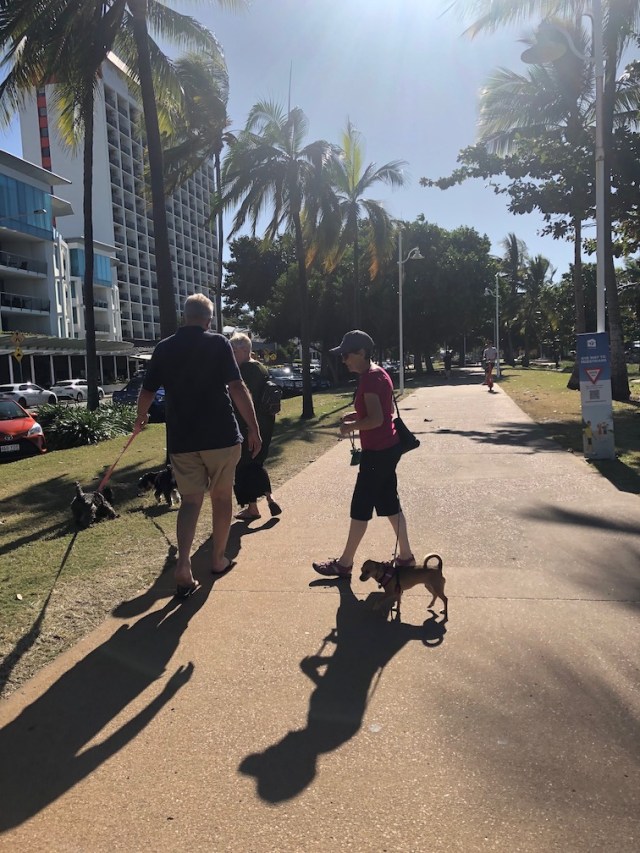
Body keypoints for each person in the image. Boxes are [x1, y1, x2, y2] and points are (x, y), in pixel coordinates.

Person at [134, 294, 261, 597]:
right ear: (208, 319)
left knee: (190, 502)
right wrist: (254, 428)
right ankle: (217, 559)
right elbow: (237, 386)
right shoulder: (218, 343)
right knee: (221, 497)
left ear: (185, 317)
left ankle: (183, 565)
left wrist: (140, 419)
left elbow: (147, 391)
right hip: (221, 437)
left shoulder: (164, 348)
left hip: (182, 440)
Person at [312, 329, 415, 578]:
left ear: (361, 352)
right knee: (389, 503)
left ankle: (344, 563)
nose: (343, 360)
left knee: (361, 506)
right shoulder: (378, 373)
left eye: (346, 355)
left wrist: (350, 427)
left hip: (378, 452)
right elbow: (383, 412)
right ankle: (406, 557)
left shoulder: (370, 379)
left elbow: (376, 419)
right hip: (387, 449)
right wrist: (357, 416)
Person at [229, 332, 281, 520]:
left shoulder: (245, 370)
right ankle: (268, 498)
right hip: (265, 423)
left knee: (243, 465)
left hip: (249, 426)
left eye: (233, 351)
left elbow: (243, 401)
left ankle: (253, 507)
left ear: (244, 350)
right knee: (256, 463)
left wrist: (250, 428)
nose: (230, 355)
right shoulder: (261, 367)